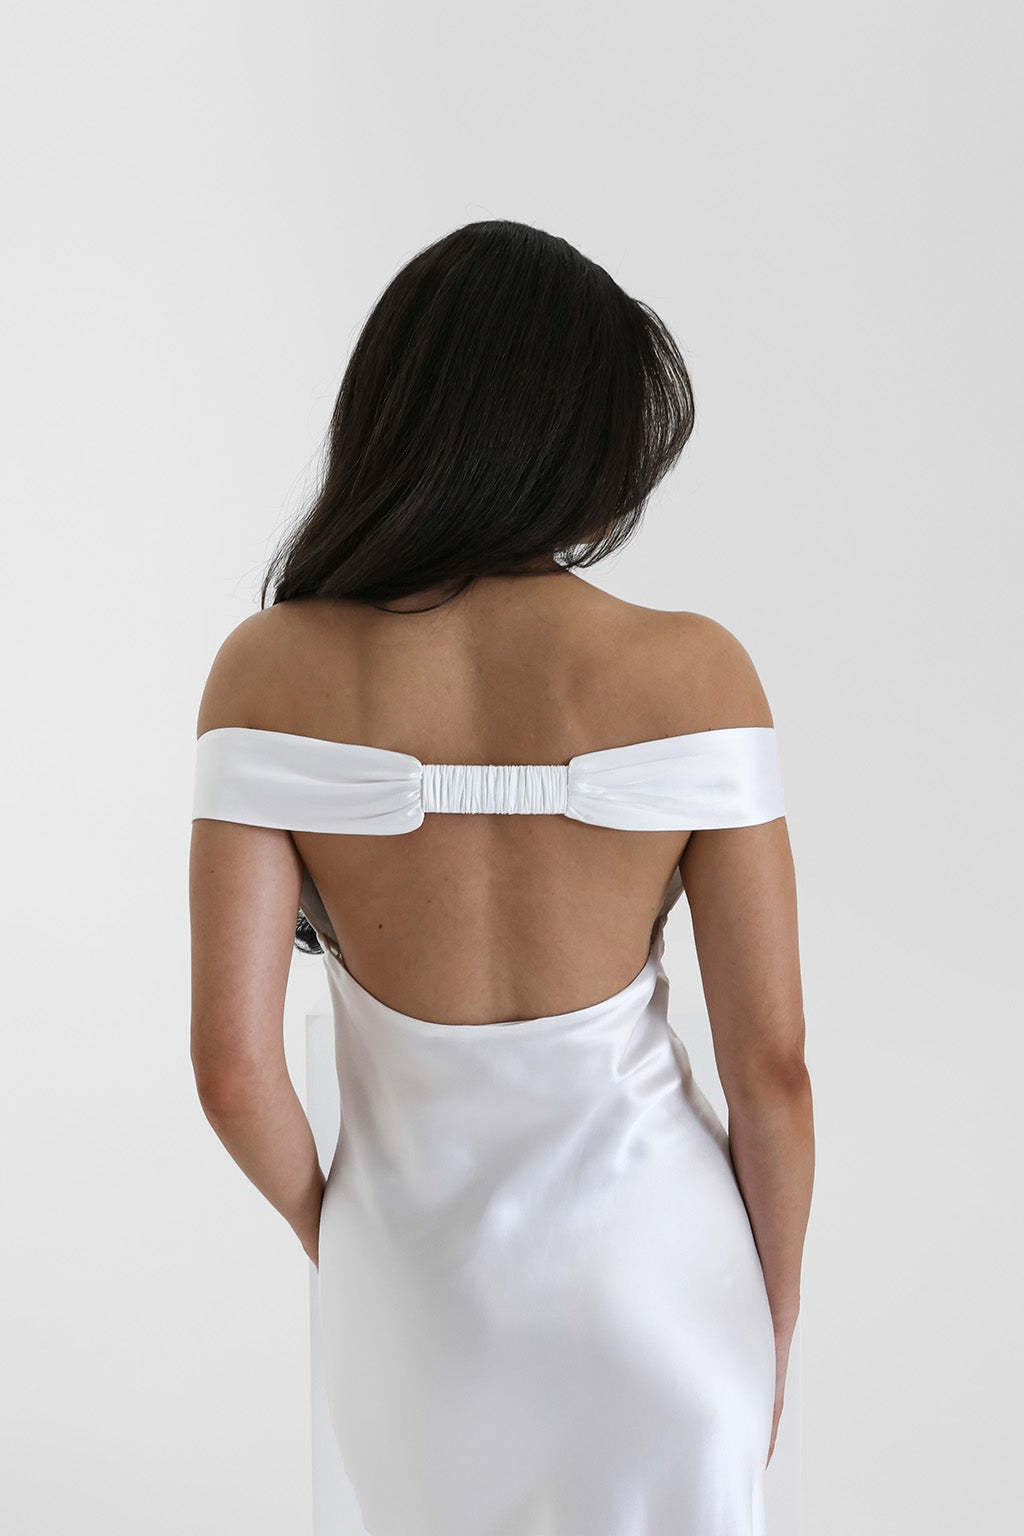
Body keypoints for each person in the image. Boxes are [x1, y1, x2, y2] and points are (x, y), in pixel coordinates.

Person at [188, 219, 814, 1536]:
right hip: (663, 1283)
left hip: (418, 1307)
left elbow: (234, 1070)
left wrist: (351, 1244)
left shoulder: (269, 670)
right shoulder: (695, 670)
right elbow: (772, 1070)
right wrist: (774, 1310)